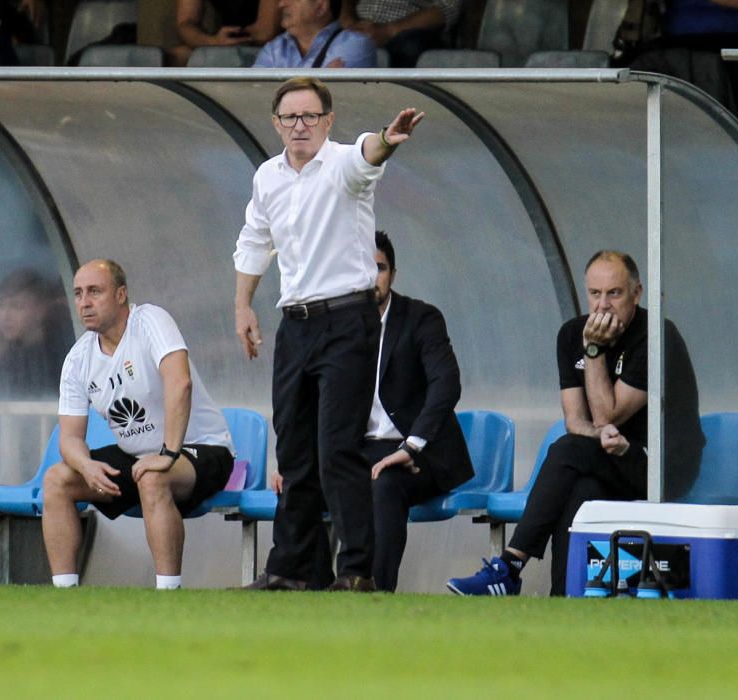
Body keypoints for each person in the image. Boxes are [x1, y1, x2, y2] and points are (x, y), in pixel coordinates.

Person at [234, 76, 424, 592]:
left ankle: (356, 570)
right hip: (295, 324)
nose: (300, 125)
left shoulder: (343, 163)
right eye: (290, 117)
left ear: (328, 120)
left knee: (337, 448)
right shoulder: (268, 177)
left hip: (346, 321)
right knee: (293, 450)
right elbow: (254, 240)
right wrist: (243, 304)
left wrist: (387, 136)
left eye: (310, 116)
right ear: (276, 123)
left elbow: (370, 154)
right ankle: (288, 569)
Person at [447, 250, 704, 597]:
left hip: (661, 467)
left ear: (637, 293)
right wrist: (601, 438)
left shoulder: (658, 337)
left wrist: (594, 350)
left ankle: (509, 566)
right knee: (581, 491)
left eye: (614, 293)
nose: (603, 305)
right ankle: (563, 599)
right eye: (595, 294)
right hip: (608, 460)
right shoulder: (571, 334)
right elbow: (576, 422)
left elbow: (605, 415)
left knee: (568, 451)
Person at [269, 231, 474, 592]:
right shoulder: (327, 330)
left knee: (385, 482)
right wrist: (296, 463)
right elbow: (306, 403)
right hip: (353, 450)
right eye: (360, 268)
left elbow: (447, 384)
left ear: (393, 273)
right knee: (297, 486)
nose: (370, 276)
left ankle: (372, 589)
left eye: (378, 268)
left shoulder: (421, 319)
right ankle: (315, 588)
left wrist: (411, 446)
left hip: (413, 452)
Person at [42, 259, 235, 590]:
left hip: (202, 448)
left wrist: (168, 453)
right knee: (58, 479)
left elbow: (180, 383)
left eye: (94, 292)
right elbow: (70, 438)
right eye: (77, 294)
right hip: (138, 456)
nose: (84, 302)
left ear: (120, 295)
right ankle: (64, 592)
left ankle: (167, 593)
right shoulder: (77, 359)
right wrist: (85, 465)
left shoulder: (150, 321)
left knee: (152, 476)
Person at [0, 267, 72, 398]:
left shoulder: (63, 350)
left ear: (40, 310)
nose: (5, 316)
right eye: (1, 306)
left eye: (16, 306)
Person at [254, 0, 376, 68]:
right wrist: (319, 82)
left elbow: (334, 100)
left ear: (321, 6)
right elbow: (254, 93)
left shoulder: (355, 44)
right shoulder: (273, 49)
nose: (281, 4)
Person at [339, 0, 461, 67]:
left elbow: (448, 7)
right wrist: (348, 19)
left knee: (410, 46)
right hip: (358, 24)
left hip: (408, 31)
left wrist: (388, 31)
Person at [167, 0, 282, 66]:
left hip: (273, 43)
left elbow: (265, 32)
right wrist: (212, 42)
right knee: (176, 56)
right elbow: (185, 23)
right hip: (222, 39)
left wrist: (230, 39)